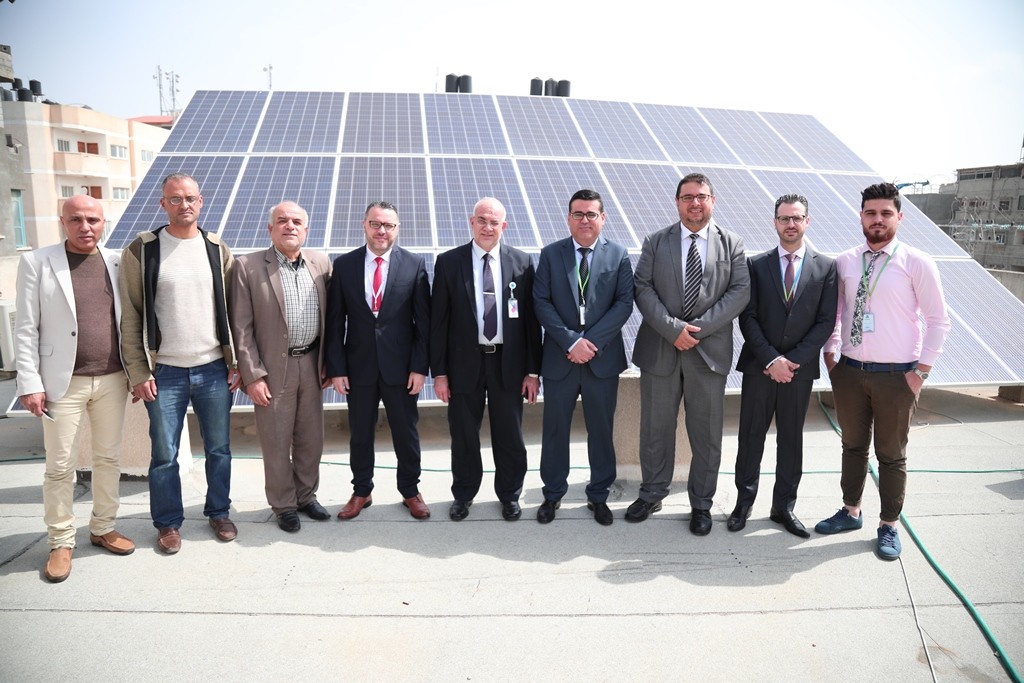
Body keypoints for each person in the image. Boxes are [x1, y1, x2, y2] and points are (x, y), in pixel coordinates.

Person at [816, 182, 950, 560]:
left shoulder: (917, 262)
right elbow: (836, 314)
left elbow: (939, 321)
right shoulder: (845, 261)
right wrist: (831, 356)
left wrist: (920, 372)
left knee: (890, 454)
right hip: (850, 372)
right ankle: (850, 511)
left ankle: (889, 524)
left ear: (899, 217)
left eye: (885, 213)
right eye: (871, 213)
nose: (878, 219)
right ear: (861, 216)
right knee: (852, 446)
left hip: (897, 376)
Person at [14, 195, 135, 582]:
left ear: (104, 223)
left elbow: (130, 322)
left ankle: (103, 527)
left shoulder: (118, 262)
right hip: (59, 383)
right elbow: (25, 327)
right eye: (76, 219)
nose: (85, 227)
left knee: (108, 459)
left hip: (113, 378)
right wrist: (30, 382)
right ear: (63, 222)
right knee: (60, 466)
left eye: (93, 220)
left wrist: (137, 372)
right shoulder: (37, 262)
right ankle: (61, 541)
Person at [120, 172, 240, 554]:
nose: (184, 204)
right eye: (175, 199)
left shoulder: (216, 248)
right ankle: (168, 523)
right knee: (164, 455)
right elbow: (131, 316)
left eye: (190, 198)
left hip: (213, 368)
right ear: (163, 204)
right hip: (165, 372)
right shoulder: (143, 250)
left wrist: (236, 362)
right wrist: (138, 372)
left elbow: (235, 311)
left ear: (200, 202)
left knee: (219, 449)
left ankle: (219, 512)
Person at [629, 173, 750, 535]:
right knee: (655, 430)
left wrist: (696, 330)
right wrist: (673, 330)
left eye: (701, 196)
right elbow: (642, 287)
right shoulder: (655, 241)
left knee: (707, 435)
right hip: (660, 350)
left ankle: (701, 503)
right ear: (677, 202)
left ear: (713, 200)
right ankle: (652, 493)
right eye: (687, 197)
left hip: (707, 353)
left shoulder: (732, 244)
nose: (695, 203)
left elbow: (739, 292)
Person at [729, 194, 838, 538]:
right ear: (774, 222)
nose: (791, 224)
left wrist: (792, 361)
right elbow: (747, 317)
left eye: (797, 218)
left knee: (791, 441)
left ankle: (784, 508)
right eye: (784, 218)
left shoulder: (826, 267)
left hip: (798, 372)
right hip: (760, 368)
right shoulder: (755, 265)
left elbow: (825, 322)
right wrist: (771, 359)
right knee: (750, 438)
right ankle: (743, 503)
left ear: (807, 221)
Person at [430, 198, 542, 522]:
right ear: (471, 221)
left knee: (510, 435)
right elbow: (438, 323)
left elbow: (531, 322)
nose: (488, 227)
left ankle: (510, 495)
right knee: (464, 435)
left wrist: (532, 372)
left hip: (508, 364)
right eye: (482, 220)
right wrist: (439, 373)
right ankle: (464, 495)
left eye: (494, 222)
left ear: (504, 226)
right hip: (464, 364)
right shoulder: (449, 263)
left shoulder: (522, 262)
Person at [229, 201, 332, 533]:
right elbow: (241, 328)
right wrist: (252, 375)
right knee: (276, 440)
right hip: (273, 368)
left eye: (297, 222)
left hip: (312, 363)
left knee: (311, 439)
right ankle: (284, 505)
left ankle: (306, 496)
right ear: (270, 228)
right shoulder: (247, 266)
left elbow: (332, 318)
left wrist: (329, 362)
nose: (290, 226)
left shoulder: (321, 263)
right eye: (282, 220)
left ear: (306, 229)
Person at [533, 189, 634, 526]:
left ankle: (599, 495)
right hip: (560, 358)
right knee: (555, 430)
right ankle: (552, 494)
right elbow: (541, 302)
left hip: (601, 359)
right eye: (578, 214)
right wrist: (570, 341)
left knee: (601, 430)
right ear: (569, 218)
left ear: (602, 218)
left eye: (591, 214)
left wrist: (590, 342)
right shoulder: (551, 254)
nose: (585, 220)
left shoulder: (618, 255)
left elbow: (623, 303)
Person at [325, 201, 432, 520]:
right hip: (358, 367)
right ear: (365, 225)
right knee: (360, 433)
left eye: (388, 225)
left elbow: (423, 324)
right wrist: (337, 369)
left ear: (397, 229)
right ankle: (361, 490)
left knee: (406, 433)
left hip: (401, 368)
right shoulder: (344, 265)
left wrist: (419, 367)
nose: (381, 231)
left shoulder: (413, 264)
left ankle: (410, 490)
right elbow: (335, 322)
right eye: (375, 224)